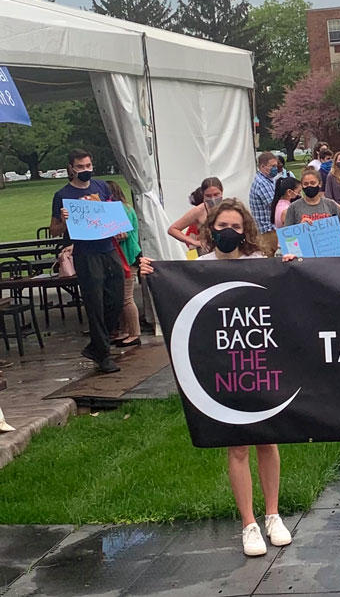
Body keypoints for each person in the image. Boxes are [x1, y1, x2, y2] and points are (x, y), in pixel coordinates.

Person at [139, 199, 296, 556]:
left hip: (259, 361)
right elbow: (174, 291)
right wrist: (152, 270)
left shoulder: (259, 265)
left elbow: (285, 298)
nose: (230, 232)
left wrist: (289, 269)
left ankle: (273, 514)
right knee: (237, 444)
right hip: (222, 367)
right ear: (211, 229)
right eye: (223, 225)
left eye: (237, 227)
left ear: (246, 231)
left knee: (268, 439)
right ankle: (249, 524)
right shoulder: (199, 268)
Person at [49, 149, 124, 374]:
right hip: (86, 252)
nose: (85, 170)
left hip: (107, 248)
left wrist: (118, 228)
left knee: (116, 299)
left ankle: (95, 346)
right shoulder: (63, 194)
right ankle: (103, 354)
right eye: (80, 167)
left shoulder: (101, 187)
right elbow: (54, 230)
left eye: (88, 166)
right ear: (71, 168)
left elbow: (111, 213)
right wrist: (63, 222)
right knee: (95, 304)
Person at [105, 180, 142, 348]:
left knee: (127, 297)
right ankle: (126, 330)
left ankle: (134, 333)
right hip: (123, 258)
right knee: (121, 297)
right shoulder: (125, 207)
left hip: (126, 257)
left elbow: (123, 234)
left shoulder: (121, 210)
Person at [283, 169, 340, 248]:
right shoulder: (293, 207)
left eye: (313, 183)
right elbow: (287, 236)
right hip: (307, 252)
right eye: (306, 184)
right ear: (302, 186)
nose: (309, 186)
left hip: (329, 250)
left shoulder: (330, 204)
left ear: (320, 184)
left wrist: (328, 229)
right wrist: (300, 228)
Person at [250, 152, 293, 257]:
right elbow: (275, 205)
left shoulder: (269, 180)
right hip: (268, 231)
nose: (276, 168)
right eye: (272, 166)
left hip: (272, 229)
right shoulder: (262, 183)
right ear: (262, 167)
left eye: (276, 165)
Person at [168, 177, 224, 251]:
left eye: (216, 194)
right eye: (208, 196)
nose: (213, 198)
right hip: (207, 255)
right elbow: (173, 229)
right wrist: (195, 242)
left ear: (222, 192)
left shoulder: (230, 207)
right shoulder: (199, 211)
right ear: (203, 195)